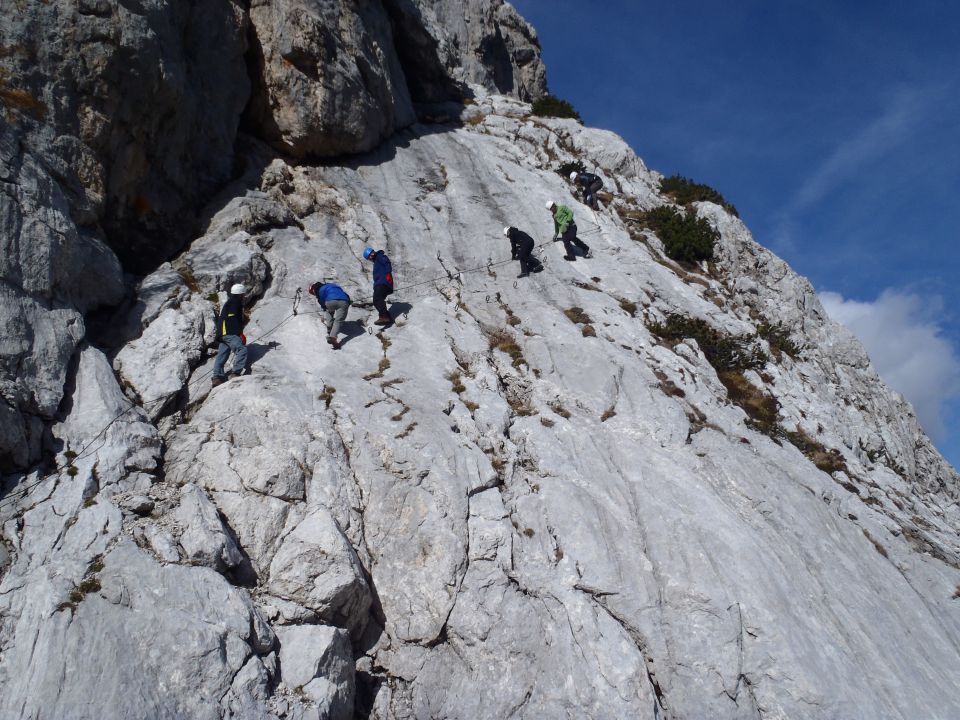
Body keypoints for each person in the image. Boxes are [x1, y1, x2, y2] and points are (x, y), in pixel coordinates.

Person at [212, 283, 248, 386]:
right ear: (240, 294)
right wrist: (238, 334)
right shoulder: (235, 302)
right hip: (229, 332)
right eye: (243, 294)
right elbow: (232, 319)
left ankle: (217, 378)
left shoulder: (230, 302)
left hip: (223, 334)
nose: (244, 296)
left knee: (222, 355)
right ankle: (235, 373)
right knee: (242, 349)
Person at [309, 280, 351, 349]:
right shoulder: (333, 285)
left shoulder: (320, 291)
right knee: (338, 320)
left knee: (328, 310)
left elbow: (322, 303)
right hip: (344, 300)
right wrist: (348, 302)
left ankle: (329, 327)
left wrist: (324, 308)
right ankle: (333, 336)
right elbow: (345, 294)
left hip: (330, 301)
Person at [363, 247, 394, 325]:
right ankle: (387, 317)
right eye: (368, 258)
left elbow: (386, 262)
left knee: (377, 300)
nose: (369, 259)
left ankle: (384, 317)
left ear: (372, 253)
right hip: (381, 283)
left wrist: (388, 273)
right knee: (378, 301)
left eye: (369, 256)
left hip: (383, 282)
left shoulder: (379, 256)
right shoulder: (376, 261)